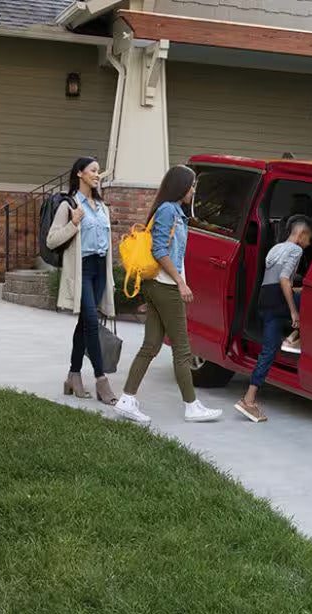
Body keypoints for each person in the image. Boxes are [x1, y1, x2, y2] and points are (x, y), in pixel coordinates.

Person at [113, 165, 223, 423]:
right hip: (165, 286)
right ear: (180, 186)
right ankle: (192, 406)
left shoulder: (174, 211)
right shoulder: (167, 212)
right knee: (183, 349)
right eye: (192, 185)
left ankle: (127, 400)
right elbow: (160, 250)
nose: (193, 190)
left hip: (158, 286)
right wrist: (180, 282)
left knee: (151, 345)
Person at [49, 157, 121, 408]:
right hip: (82, 271)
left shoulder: (102, 207)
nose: (97, 175)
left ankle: (73, 375)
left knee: (85, 324)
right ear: (79, 173)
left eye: (98, 172)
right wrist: (74, 223)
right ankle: (101, 380)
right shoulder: (69, 205)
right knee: (90, 322)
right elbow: (52, 240)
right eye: (92, 170)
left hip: (100, 270)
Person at [234, 215, 312, 422]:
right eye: (309, 238)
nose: (309, 243)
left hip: (264, 299)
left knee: (267, 351)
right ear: (301, 234)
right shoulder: (296, 250)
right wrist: (294, 312)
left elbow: (276, 282)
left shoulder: (276, 248)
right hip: (278, 299)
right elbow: (284, 280)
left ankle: (248, 399)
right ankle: (295, 337)